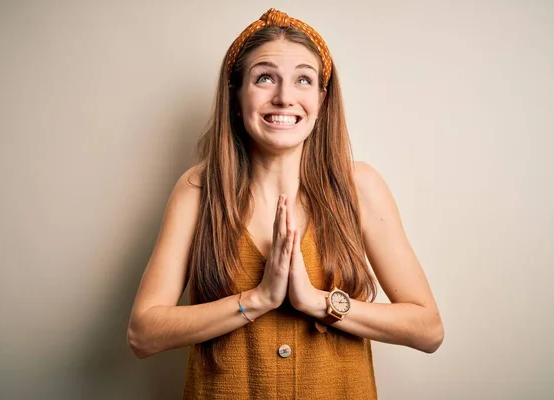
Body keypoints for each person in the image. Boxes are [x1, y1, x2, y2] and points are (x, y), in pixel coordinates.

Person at [127, 8, 444, 399]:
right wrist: (257, 300)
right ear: (236, 94)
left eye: (303, 81)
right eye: (264, 78)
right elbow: (143, 334)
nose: (284, 97)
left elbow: (428, 329)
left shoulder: (359, 186)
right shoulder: (197, 189)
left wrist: (317, 302)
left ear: (322, 99)